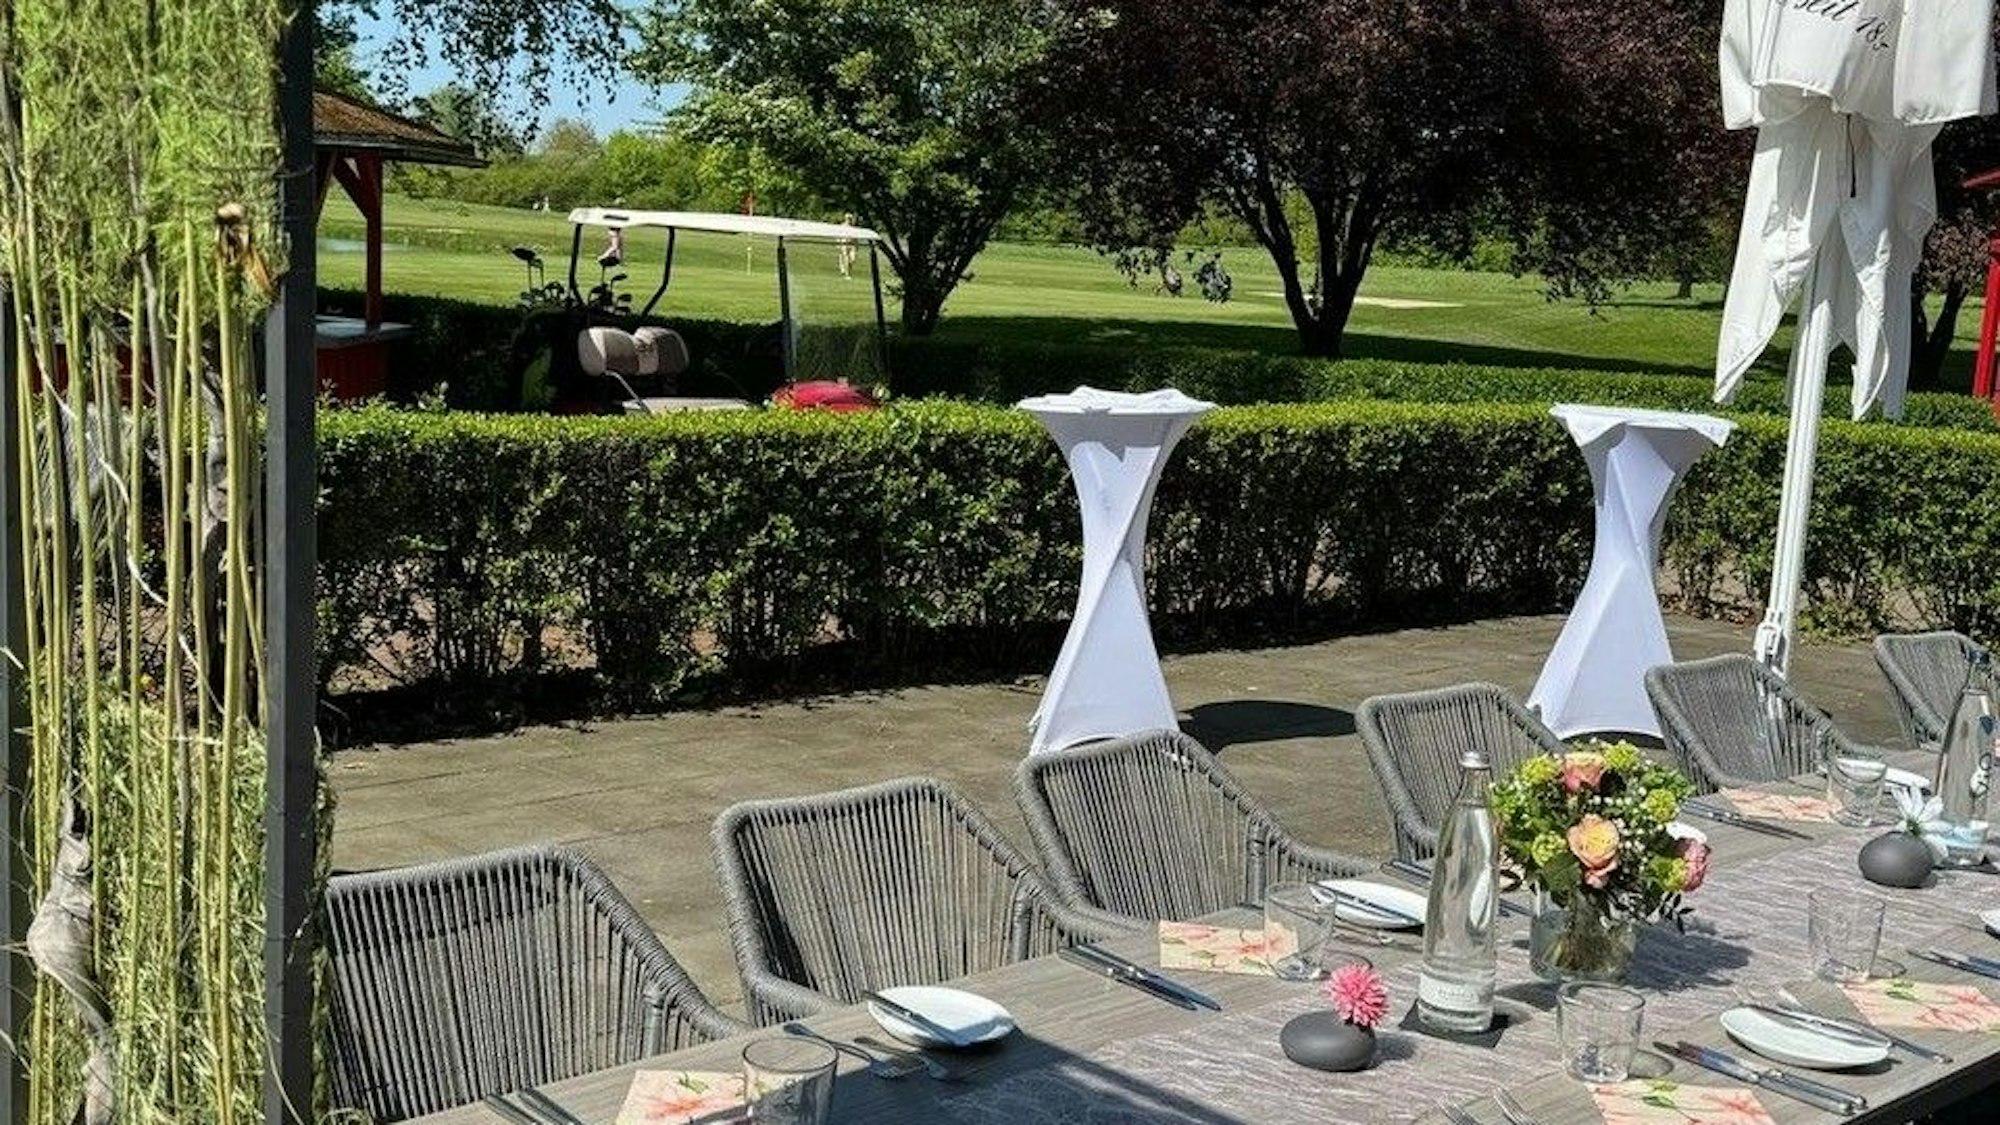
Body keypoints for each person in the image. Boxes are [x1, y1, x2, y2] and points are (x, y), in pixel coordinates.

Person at [838, 212, 858, 280]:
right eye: (848, 218)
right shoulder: (842, 226)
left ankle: (843, 267)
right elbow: (838, 235)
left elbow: (856, 237)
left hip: (852, 244)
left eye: (850, 219)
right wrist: (839, 243)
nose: (849, 220)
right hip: (844, 243)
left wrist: (856, 245)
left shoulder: (853, 227)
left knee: (852, 259)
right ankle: (847, 274)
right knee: (846, 258)